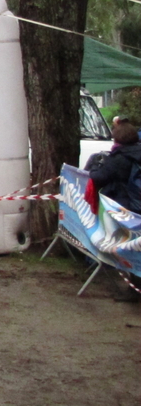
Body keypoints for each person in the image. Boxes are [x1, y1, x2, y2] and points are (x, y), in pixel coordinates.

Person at [90, 121, 141, 301]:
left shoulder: (119, 157)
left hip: (127, 210)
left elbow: (99, 177)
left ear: (117, 139)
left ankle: (134, 290)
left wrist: (95, 167)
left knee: (129, 247)